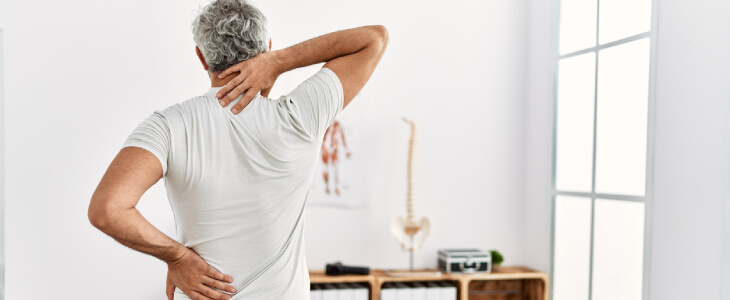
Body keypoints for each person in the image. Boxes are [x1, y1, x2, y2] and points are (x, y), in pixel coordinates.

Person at [87, 0, 388, 299]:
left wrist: (177, 257)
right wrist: (280, 61)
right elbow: (374, 39)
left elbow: (108, 210)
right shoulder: (301, 116)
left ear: (202, 58)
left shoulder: (169, 126)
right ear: (267, 47)